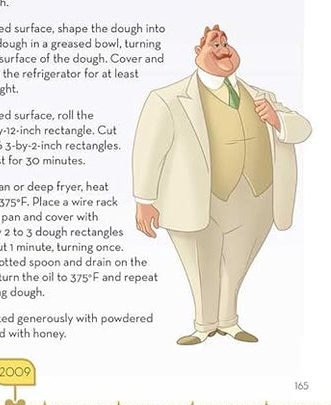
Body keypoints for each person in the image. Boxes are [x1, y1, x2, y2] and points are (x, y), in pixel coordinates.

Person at [130, 25, 311, 345]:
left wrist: (276, 119)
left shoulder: (260, 96)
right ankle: (203, 326)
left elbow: (304, 128)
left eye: (226, 43)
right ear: (197, 54)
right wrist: (144, 199)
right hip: (196, 197)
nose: (223, 48)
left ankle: (228, 321)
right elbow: (149, 149)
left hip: (255, 196)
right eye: (214, 44)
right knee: (201, 264)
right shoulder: (168, 99)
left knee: (237, 264)